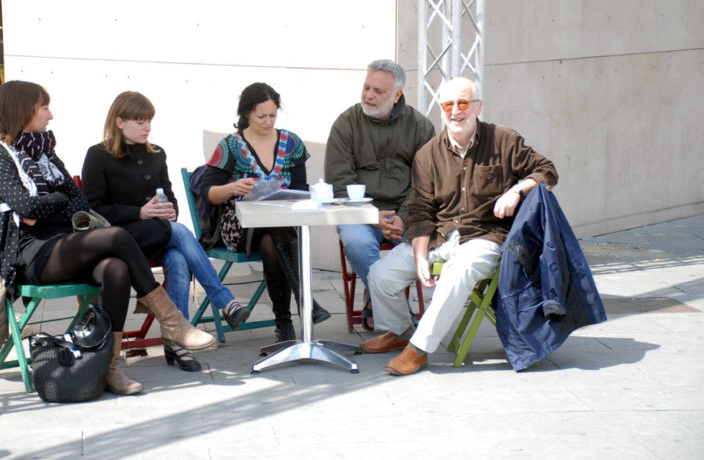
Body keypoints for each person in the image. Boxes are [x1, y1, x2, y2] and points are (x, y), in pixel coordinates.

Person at [0, 81, 215, 395]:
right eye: (44, 108)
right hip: (35, 253)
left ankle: (110, 369)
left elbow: (78, 202)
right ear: (22, 111)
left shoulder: (45, 153)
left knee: (116, 269)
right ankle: (172, 320)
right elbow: (28, 209)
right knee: (116, 236)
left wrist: (49, 205)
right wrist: (56, 201)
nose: (50, 115)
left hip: (68, 243)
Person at [360, 76, 558, 376]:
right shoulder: (428, 154)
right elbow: (421, 210)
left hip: (486, 237)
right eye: (449, 105)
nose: (456, 111)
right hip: (440, 237)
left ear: (478, 106)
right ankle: (400, 331)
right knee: (381, 275)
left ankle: (419, 349)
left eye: (463, 103)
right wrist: (420, 254)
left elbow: (547, 171)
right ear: (441, 110)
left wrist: (516, 190)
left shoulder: (503, 140)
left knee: (459, 271)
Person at [81, 91, 251, 371]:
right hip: (120, 238)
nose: (147, 127)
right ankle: (223, 301)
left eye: (149, 121)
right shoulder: (98, 156)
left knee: (178, 258)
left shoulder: (156, 154)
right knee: (181, 232)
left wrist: (169, 209)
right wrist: (140, 212)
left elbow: (169, 197)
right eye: (140, 122)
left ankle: (177, 345)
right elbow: (93, 210)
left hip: (156, 234)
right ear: (119, 121)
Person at [201, 82, 330, 342]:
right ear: (247, 113)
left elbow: (300, 189)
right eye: (262, 116)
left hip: (279, 223)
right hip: (239, 226)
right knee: (275, 228)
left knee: (273, 239)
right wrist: (232, 188)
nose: (268, 121)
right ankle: (307, 304)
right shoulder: (230, 147)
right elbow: (208, 193)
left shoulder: (291, 142)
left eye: (273, 115)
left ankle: (283, 324)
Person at [324, 59, 435, 329]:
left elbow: (426, 182)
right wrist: (372, 216)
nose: (369, 95)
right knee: (357, 243)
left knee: (421, 249)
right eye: (366, 88)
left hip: (406, 213)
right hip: (358, 214)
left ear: (397, 94)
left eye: (378, 91)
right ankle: (392, 306)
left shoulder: (420, 127)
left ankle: (378, 301)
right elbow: (338, 181)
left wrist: (404, 217)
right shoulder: (346, 124)